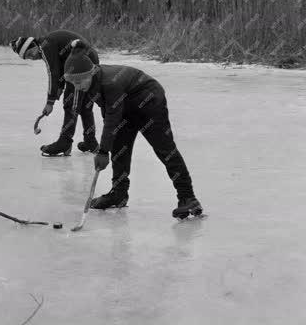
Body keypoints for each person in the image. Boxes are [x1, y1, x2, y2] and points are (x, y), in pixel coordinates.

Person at [62, 39, 203, 219]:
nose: (77, 86)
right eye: (73, 82)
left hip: (149, 100)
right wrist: (108, 146)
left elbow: (112, 117)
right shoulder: (89, 82)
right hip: (125, 107)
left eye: (80, 81)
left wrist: (103, 151)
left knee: (165, 150)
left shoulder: (109, 83)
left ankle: (188, 198)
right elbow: (108, 114)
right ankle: (119, 194)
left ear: (91, 72)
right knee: (120, 149)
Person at [10, 30, 98, 156]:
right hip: (89, 61)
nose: (32, 58)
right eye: (28, 58)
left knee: (71, 105)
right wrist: (58, 91)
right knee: (85, 106)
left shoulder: (44, 46)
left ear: (33, 45)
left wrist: (50, 102)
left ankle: (65, 142)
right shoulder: (49, 43)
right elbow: (61, 69)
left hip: (81, 65)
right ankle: (90, 141)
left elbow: (53, 73)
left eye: (30, 54)